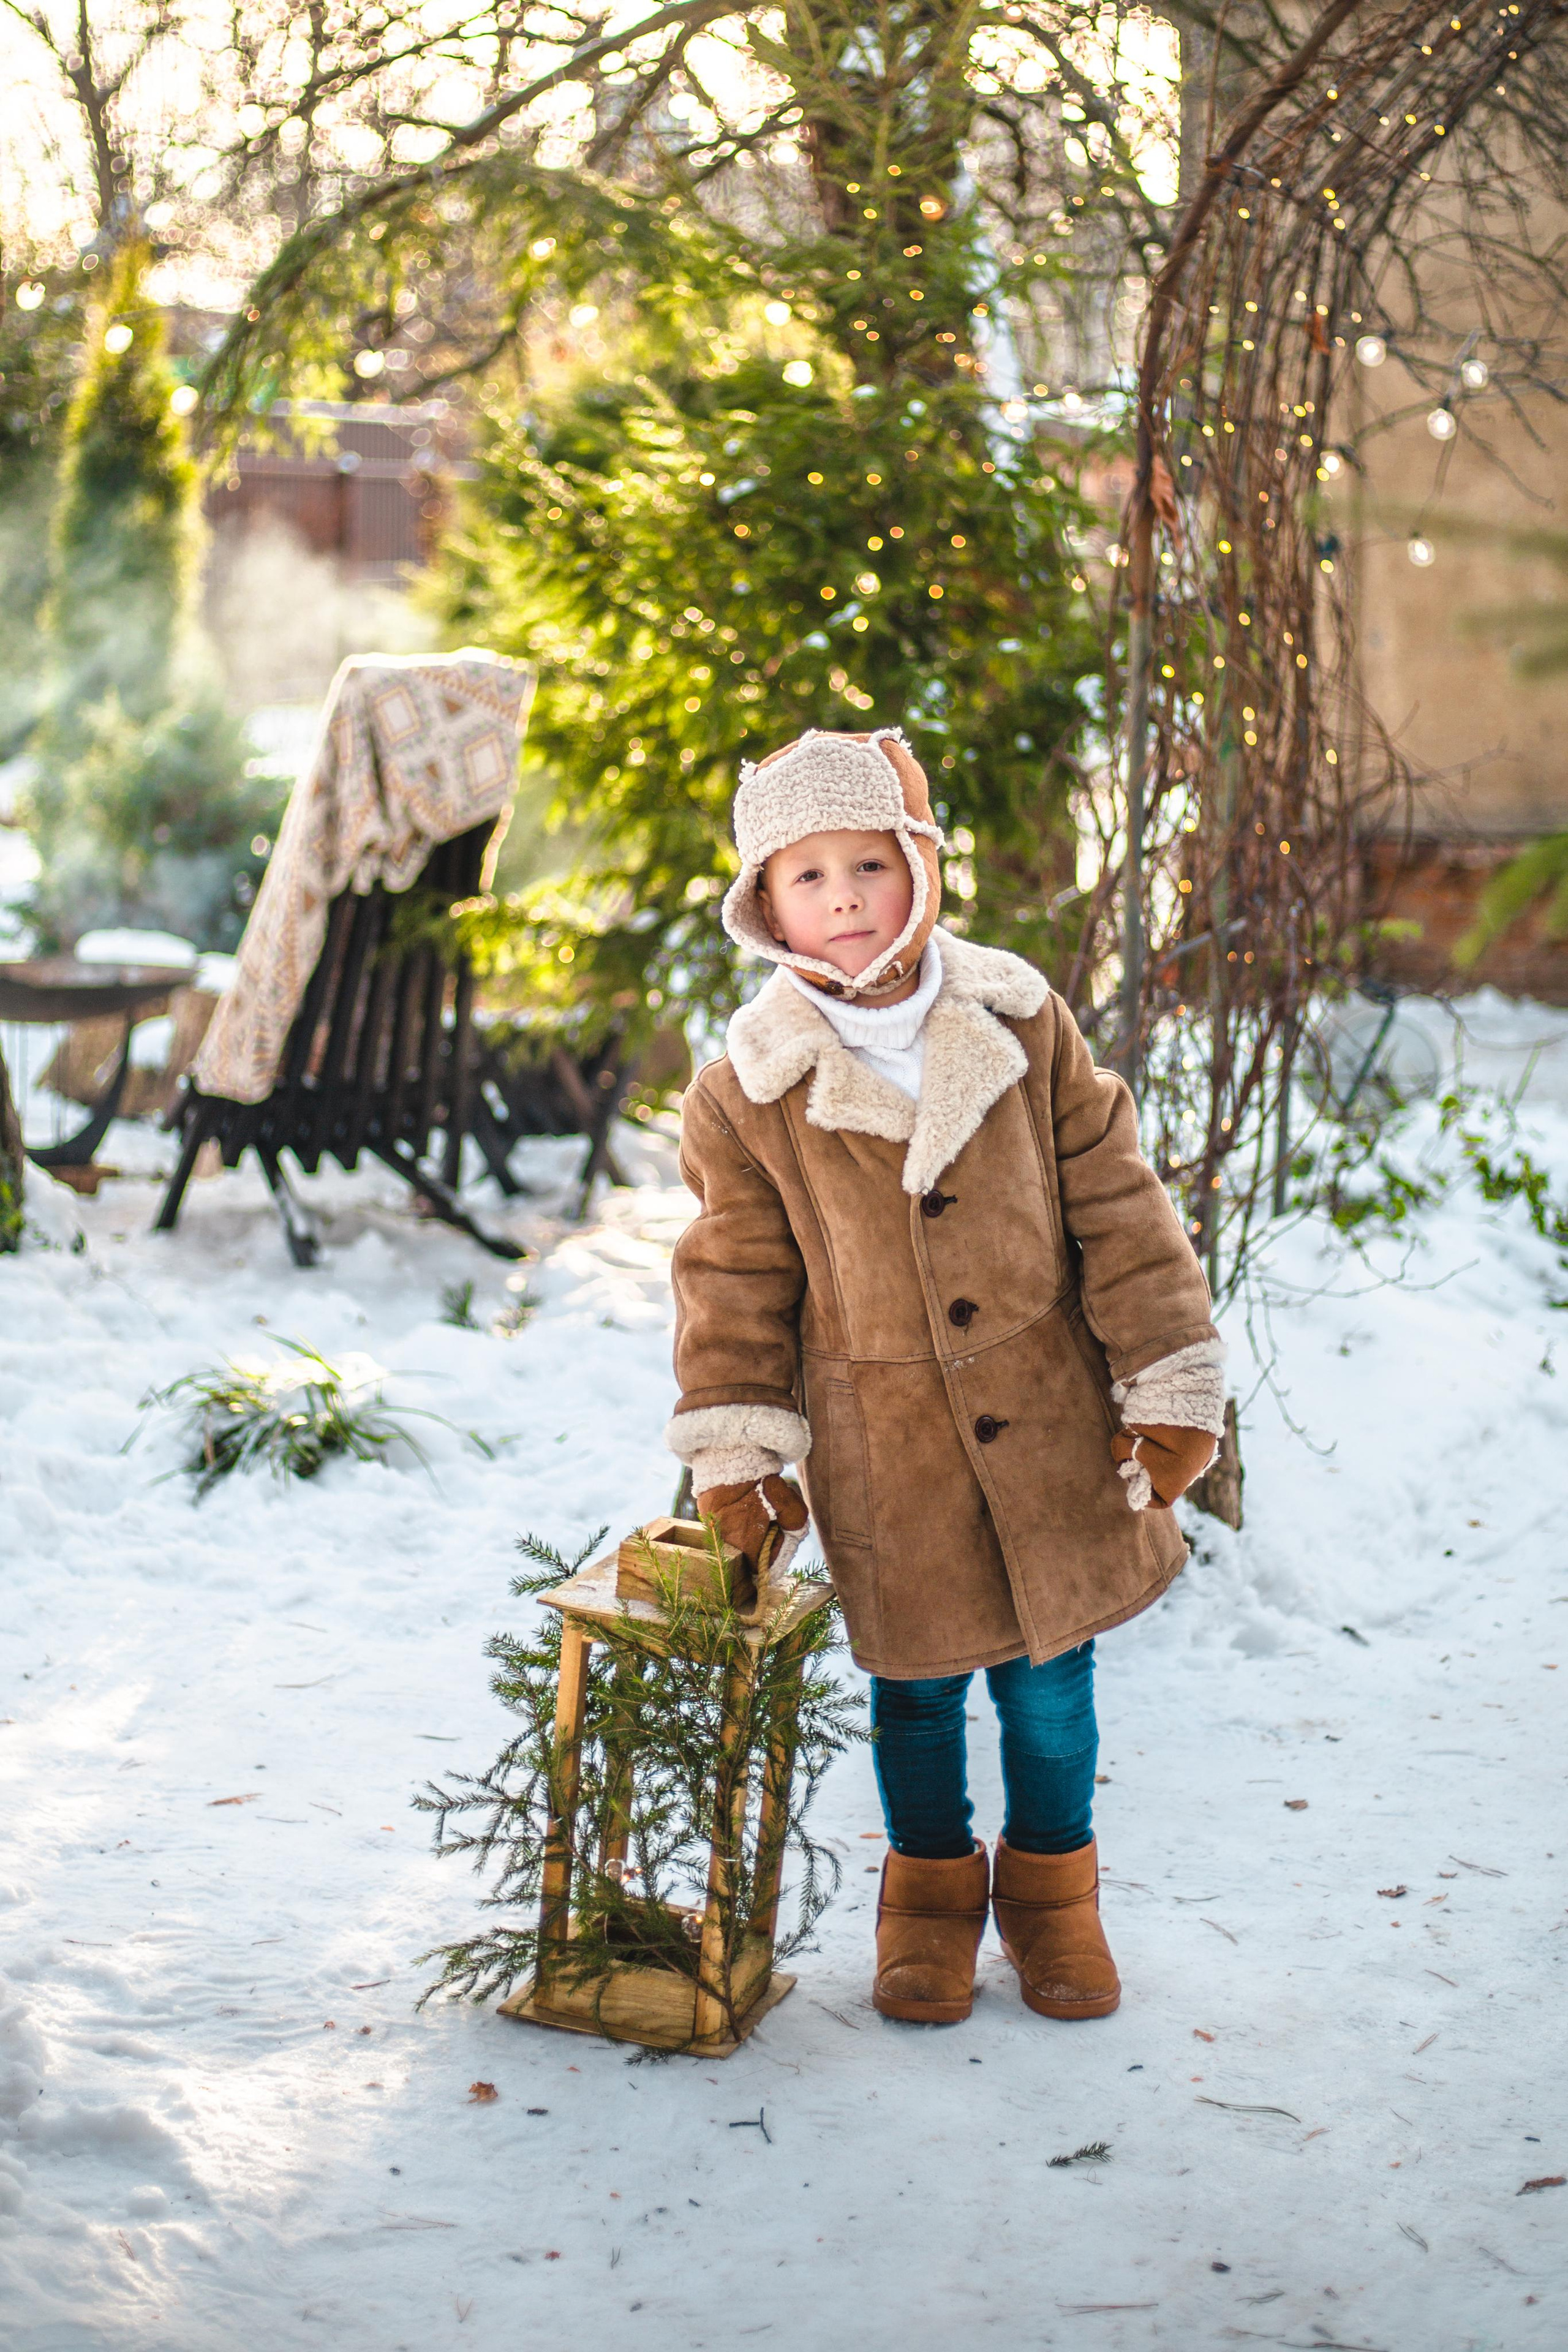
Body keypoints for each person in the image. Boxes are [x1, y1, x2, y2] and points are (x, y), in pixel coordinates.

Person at [665, 727, 1224, 2026]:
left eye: (869, 862)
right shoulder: (746, 1093)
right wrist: (738, 1452)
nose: (845, 897)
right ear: (763, 906)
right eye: (806, 876)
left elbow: (1120, 1212)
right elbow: (733, 1281)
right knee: (912, 1700)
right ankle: (925, 1904)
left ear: (920, 866)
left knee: (1047, 1691)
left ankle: (1049, 1901)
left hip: (1046, 1431)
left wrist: (1167, 1382)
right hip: (889, 1453)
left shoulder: (1020, 1024)